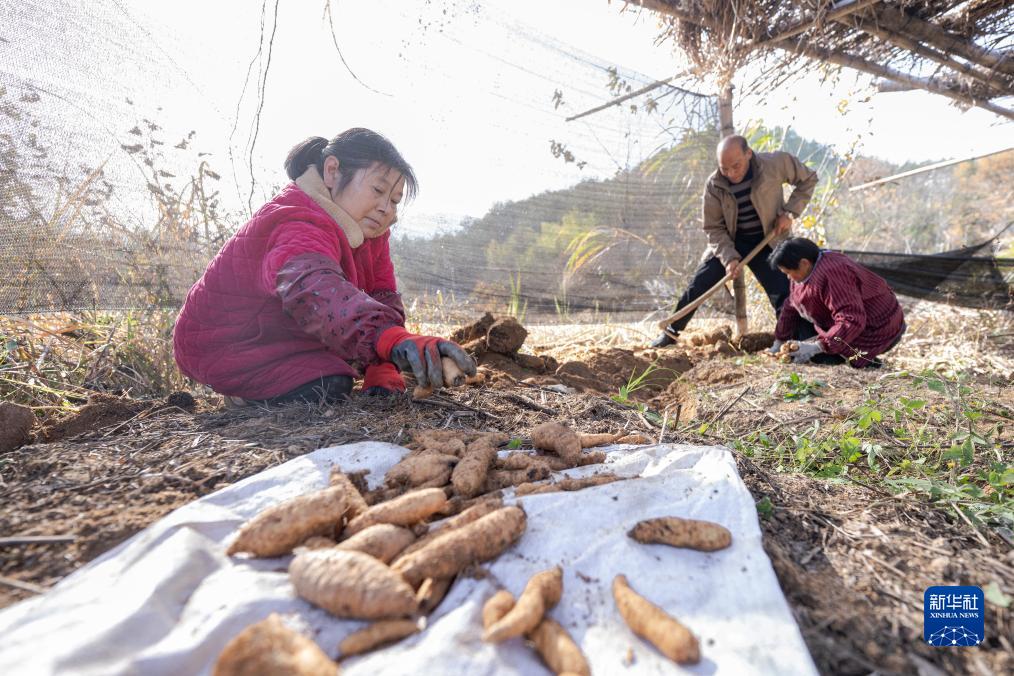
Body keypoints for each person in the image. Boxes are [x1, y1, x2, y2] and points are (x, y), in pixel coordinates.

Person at [173, 128, 475, 404]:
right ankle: (241, 393)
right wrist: (390, 340)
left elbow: (382, 295)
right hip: (228, 344)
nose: (387, 208)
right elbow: (315, 290)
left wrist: (382, 365)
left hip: (278, 335)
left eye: (395, 200)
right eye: (378, 191)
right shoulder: (297, 220)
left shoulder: (371, 231)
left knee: (337, 371)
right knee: (328, 383)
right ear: (332, 172)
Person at [651, 135, 818, 347]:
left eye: (736, 166)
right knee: (700, 284)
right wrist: (729, 258)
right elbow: (713, 228)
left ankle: (794, 341)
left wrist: (790, 212)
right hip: (731, 242)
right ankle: (671, 331)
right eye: (724, 168)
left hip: (769, 241)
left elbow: (809, 179)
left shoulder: (775, 163)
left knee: (783, 293)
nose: (731, 173)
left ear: (748, 153)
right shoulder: (714, 185)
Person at [768, 237, 906, 367]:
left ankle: (864, 361)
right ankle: (835, 352)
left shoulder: (833, 274)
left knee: (820, 357)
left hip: (878, 328)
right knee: (798, 340)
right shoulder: (804, 273)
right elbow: (791, 305)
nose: (788, 277)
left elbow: (851, 319)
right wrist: (779, 340)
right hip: (846, 322)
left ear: (804, 263)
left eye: (788, 272)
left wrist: (818, 347)